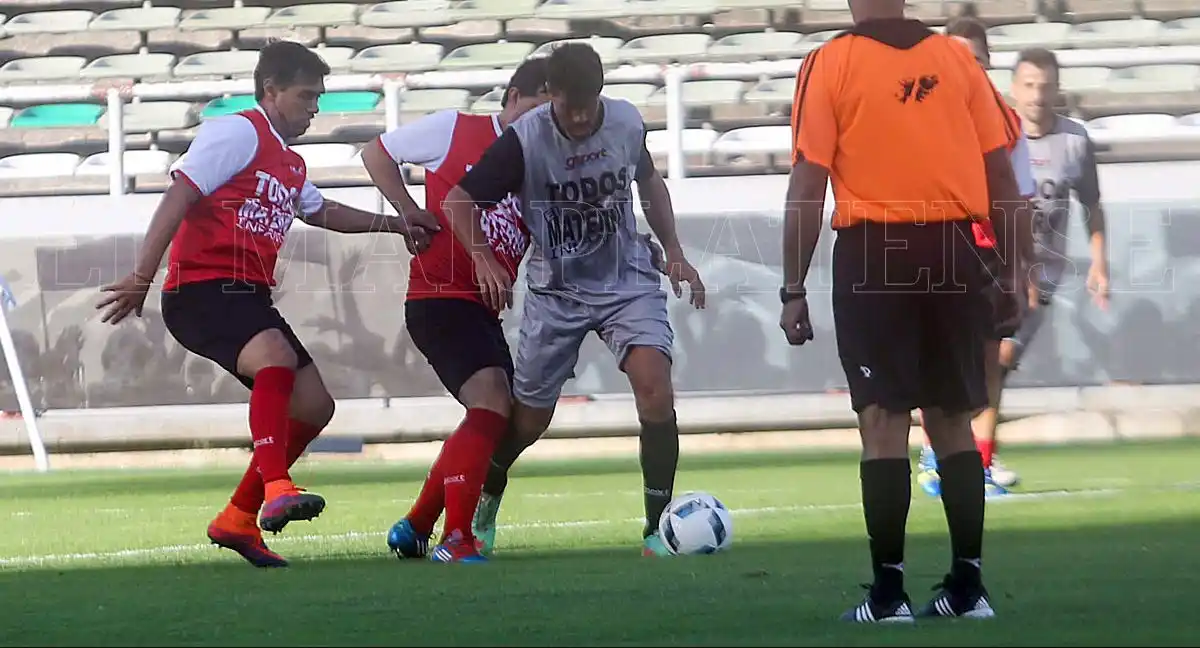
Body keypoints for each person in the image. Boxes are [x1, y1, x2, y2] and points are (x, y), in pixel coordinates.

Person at [95, 41, 440, 569]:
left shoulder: (290, 163)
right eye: (306, 96)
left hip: (246, 296)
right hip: (201, 289)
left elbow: (321, 212)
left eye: (318, 98)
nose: (314, 108)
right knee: (274, 357)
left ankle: (237, 517)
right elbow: (180, 195)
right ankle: (277, 485)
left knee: (315, 406)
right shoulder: (238, 132)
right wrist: (142, 275)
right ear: (270, 90)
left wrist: (395, 225)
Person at [779, 0, 1028, 622]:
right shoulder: (956, 59)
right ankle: (968, 589)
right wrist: (1013, 271)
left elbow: (808, 184)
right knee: (952, 419)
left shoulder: (829, 63)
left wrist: (792, 287)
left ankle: (889, 595)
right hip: (955, 248)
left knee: (884, 421)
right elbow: (1001, 176)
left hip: (875, 251)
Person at [443, 42, 706, 558]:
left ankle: (657, 529)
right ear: (552, 95)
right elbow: (458, 201)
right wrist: (483, 258)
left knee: (655, 386)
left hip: (625, 279)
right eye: (571, 106)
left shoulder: (625, 123)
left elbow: (649, 182)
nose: (582, 117)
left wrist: (674, 249)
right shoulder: (525, 139)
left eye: (590, 104)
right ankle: (487, 503)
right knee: (529, 421)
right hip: (556, 291)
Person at [361, 58, 551, 563]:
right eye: (538, 108)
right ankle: (457, 537)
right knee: (491, 404)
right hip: (439, 298)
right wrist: (407, 209)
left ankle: (417, 525)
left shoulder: (541, 163)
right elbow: (377, 152)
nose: (543, 122)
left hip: (481, 310)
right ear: (514, 97)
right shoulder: (455, 129)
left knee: (496, 416)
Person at [917, 17, 1039, 496]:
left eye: (974, 59)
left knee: (990, 361)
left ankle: (980, 466)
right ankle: (936, 455)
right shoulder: (918, 113)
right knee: (941, 358)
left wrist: (1022, 266)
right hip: (935, 246)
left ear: (987, 63)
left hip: (987, 251)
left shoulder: (1006, 122)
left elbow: (1020, 198)